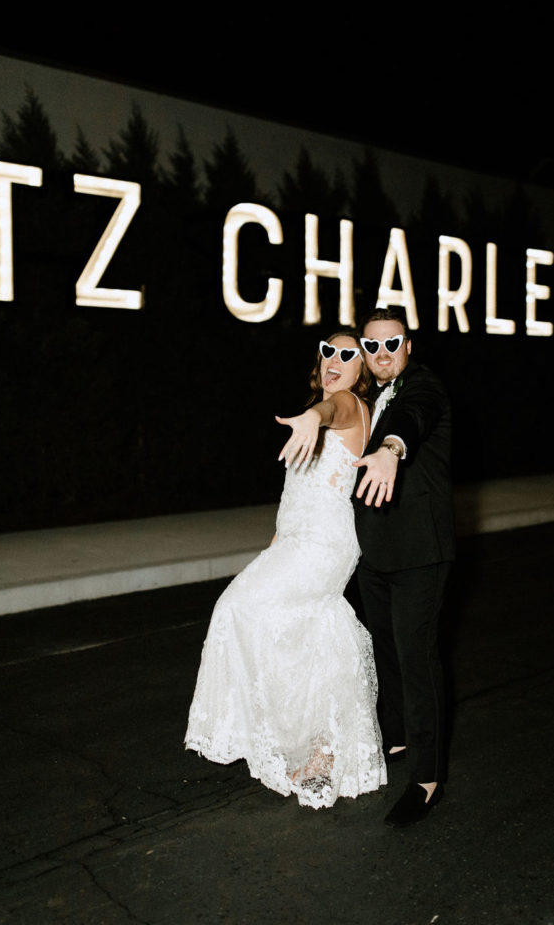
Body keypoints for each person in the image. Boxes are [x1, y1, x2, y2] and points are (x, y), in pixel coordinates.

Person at [185, 331, 387, 808]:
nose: (335, 359)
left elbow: (330, 410)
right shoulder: (314, 416)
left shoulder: (349, 407)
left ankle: (306, 742)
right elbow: (294, 495)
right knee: (296, 633)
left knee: (238, 610)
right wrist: (273, 546)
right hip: (294, 542)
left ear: (360, 371)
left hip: (326, 544)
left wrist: (314, 416)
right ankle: (317, 747)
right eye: (328, 351)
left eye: (348, 354)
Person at [353, 306, 455, 827]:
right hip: (375, 551)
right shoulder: (366, 397)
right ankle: (394, 741)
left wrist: (392, 448)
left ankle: (427, 777)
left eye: (391, 343)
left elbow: (411, 417)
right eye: (371, 346)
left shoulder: (424, 386)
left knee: (417, 659)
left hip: (420, 551)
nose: (382, 354)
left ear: (409, 345)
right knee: (386, 653)